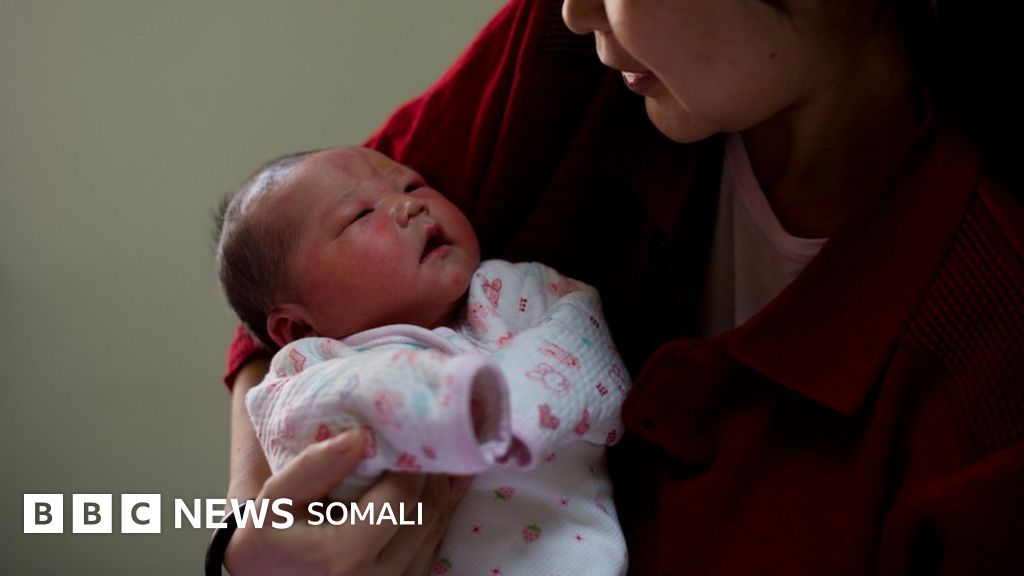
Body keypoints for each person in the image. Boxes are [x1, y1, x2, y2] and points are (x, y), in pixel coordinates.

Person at [218, 0, 1024, 574]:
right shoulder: (567, 61)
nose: (575, 12)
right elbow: (285, 262)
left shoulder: (983, 360)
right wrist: (254, 530)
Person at [215, 145, 628, 575]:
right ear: (299, 328)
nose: (409, 205)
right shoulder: (307, 367)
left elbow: (586, 348)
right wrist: (441, 404)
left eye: (413, 185)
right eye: (360, 215)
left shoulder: (511, 290)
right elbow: (319, 424)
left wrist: (504, 406)